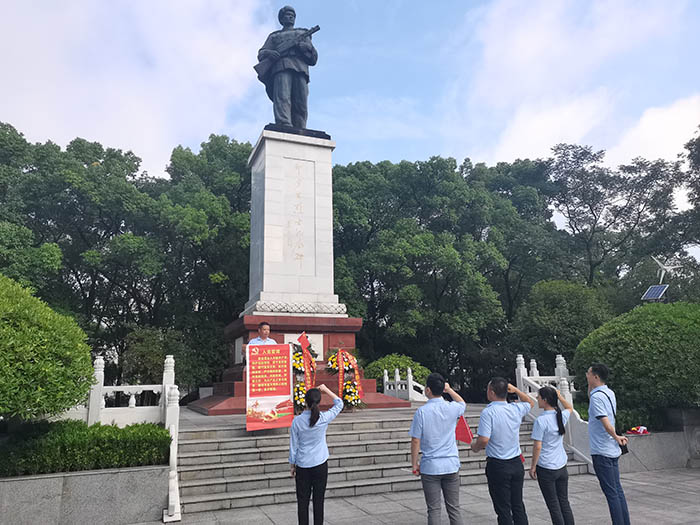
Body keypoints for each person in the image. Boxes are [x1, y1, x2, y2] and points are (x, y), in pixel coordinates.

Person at [472, 378, 535, 525]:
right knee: (517, 504)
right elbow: (530, 403)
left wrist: (475, 447)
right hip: (516, 463)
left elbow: (484, 440)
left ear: (492, 392)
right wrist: (516, 390)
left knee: (503, 508)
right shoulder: (515, 408)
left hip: (498, 465)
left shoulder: (489, 412)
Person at [409, 372, 466, 525]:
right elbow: (462, 403)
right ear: (442, 389)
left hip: (431, 466)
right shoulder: (452, 408)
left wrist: (414, 464)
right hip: (451, 464)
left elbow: (415, 440)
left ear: (428, 390)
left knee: (434, 509)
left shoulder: (422, 412)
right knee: (454, 508)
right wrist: (450, 390)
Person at [289, 383, 343, 525]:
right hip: (320, 464)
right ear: (319, 402)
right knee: (319, 501)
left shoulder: (297, 421)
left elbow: (294, 445)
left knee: (302, 502)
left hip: (303, 465)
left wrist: (292, 465)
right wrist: (326, 390)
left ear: (305, 402)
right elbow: (339, 404)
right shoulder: (323, 418)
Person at [257, 6, 318, 129]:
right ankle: (283, 123)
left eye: (292, 15)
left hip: (300, 68)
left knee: (301, 101)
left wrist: (305, 48)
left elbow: (313, 58)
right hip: (281, 67)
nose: (290, 17)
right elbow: (261, 54)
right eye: (287, 15)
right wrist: (270, 53)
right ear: (281, 19)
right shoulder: (274, 36)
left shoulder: (303, 33)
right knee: (282, 97)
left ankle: (300, 127)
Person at [586, 363, 630, 525]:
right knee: (617, 491)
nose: (586, 375)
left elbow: (605, 422)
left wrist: (616, 436)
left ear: (596, 376)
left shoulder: (597, 397)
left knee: (611, 494)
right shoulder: (608, 393)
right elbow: (591, 397)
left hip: (601, 450)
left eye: (588, 373)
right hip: (611, 449)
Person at [529, 386, 575, 525]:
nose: (537, 398)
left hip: (546, 467)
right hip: (561, 465)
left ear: (545, 400)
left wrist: (533, 466)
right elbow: (570, 408)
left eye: (538, 397)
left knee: (553, 505)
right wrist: (559, 397)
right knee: (564, 502)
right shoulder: (560, 415)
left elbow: (538, 446)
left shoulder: (541, 420)